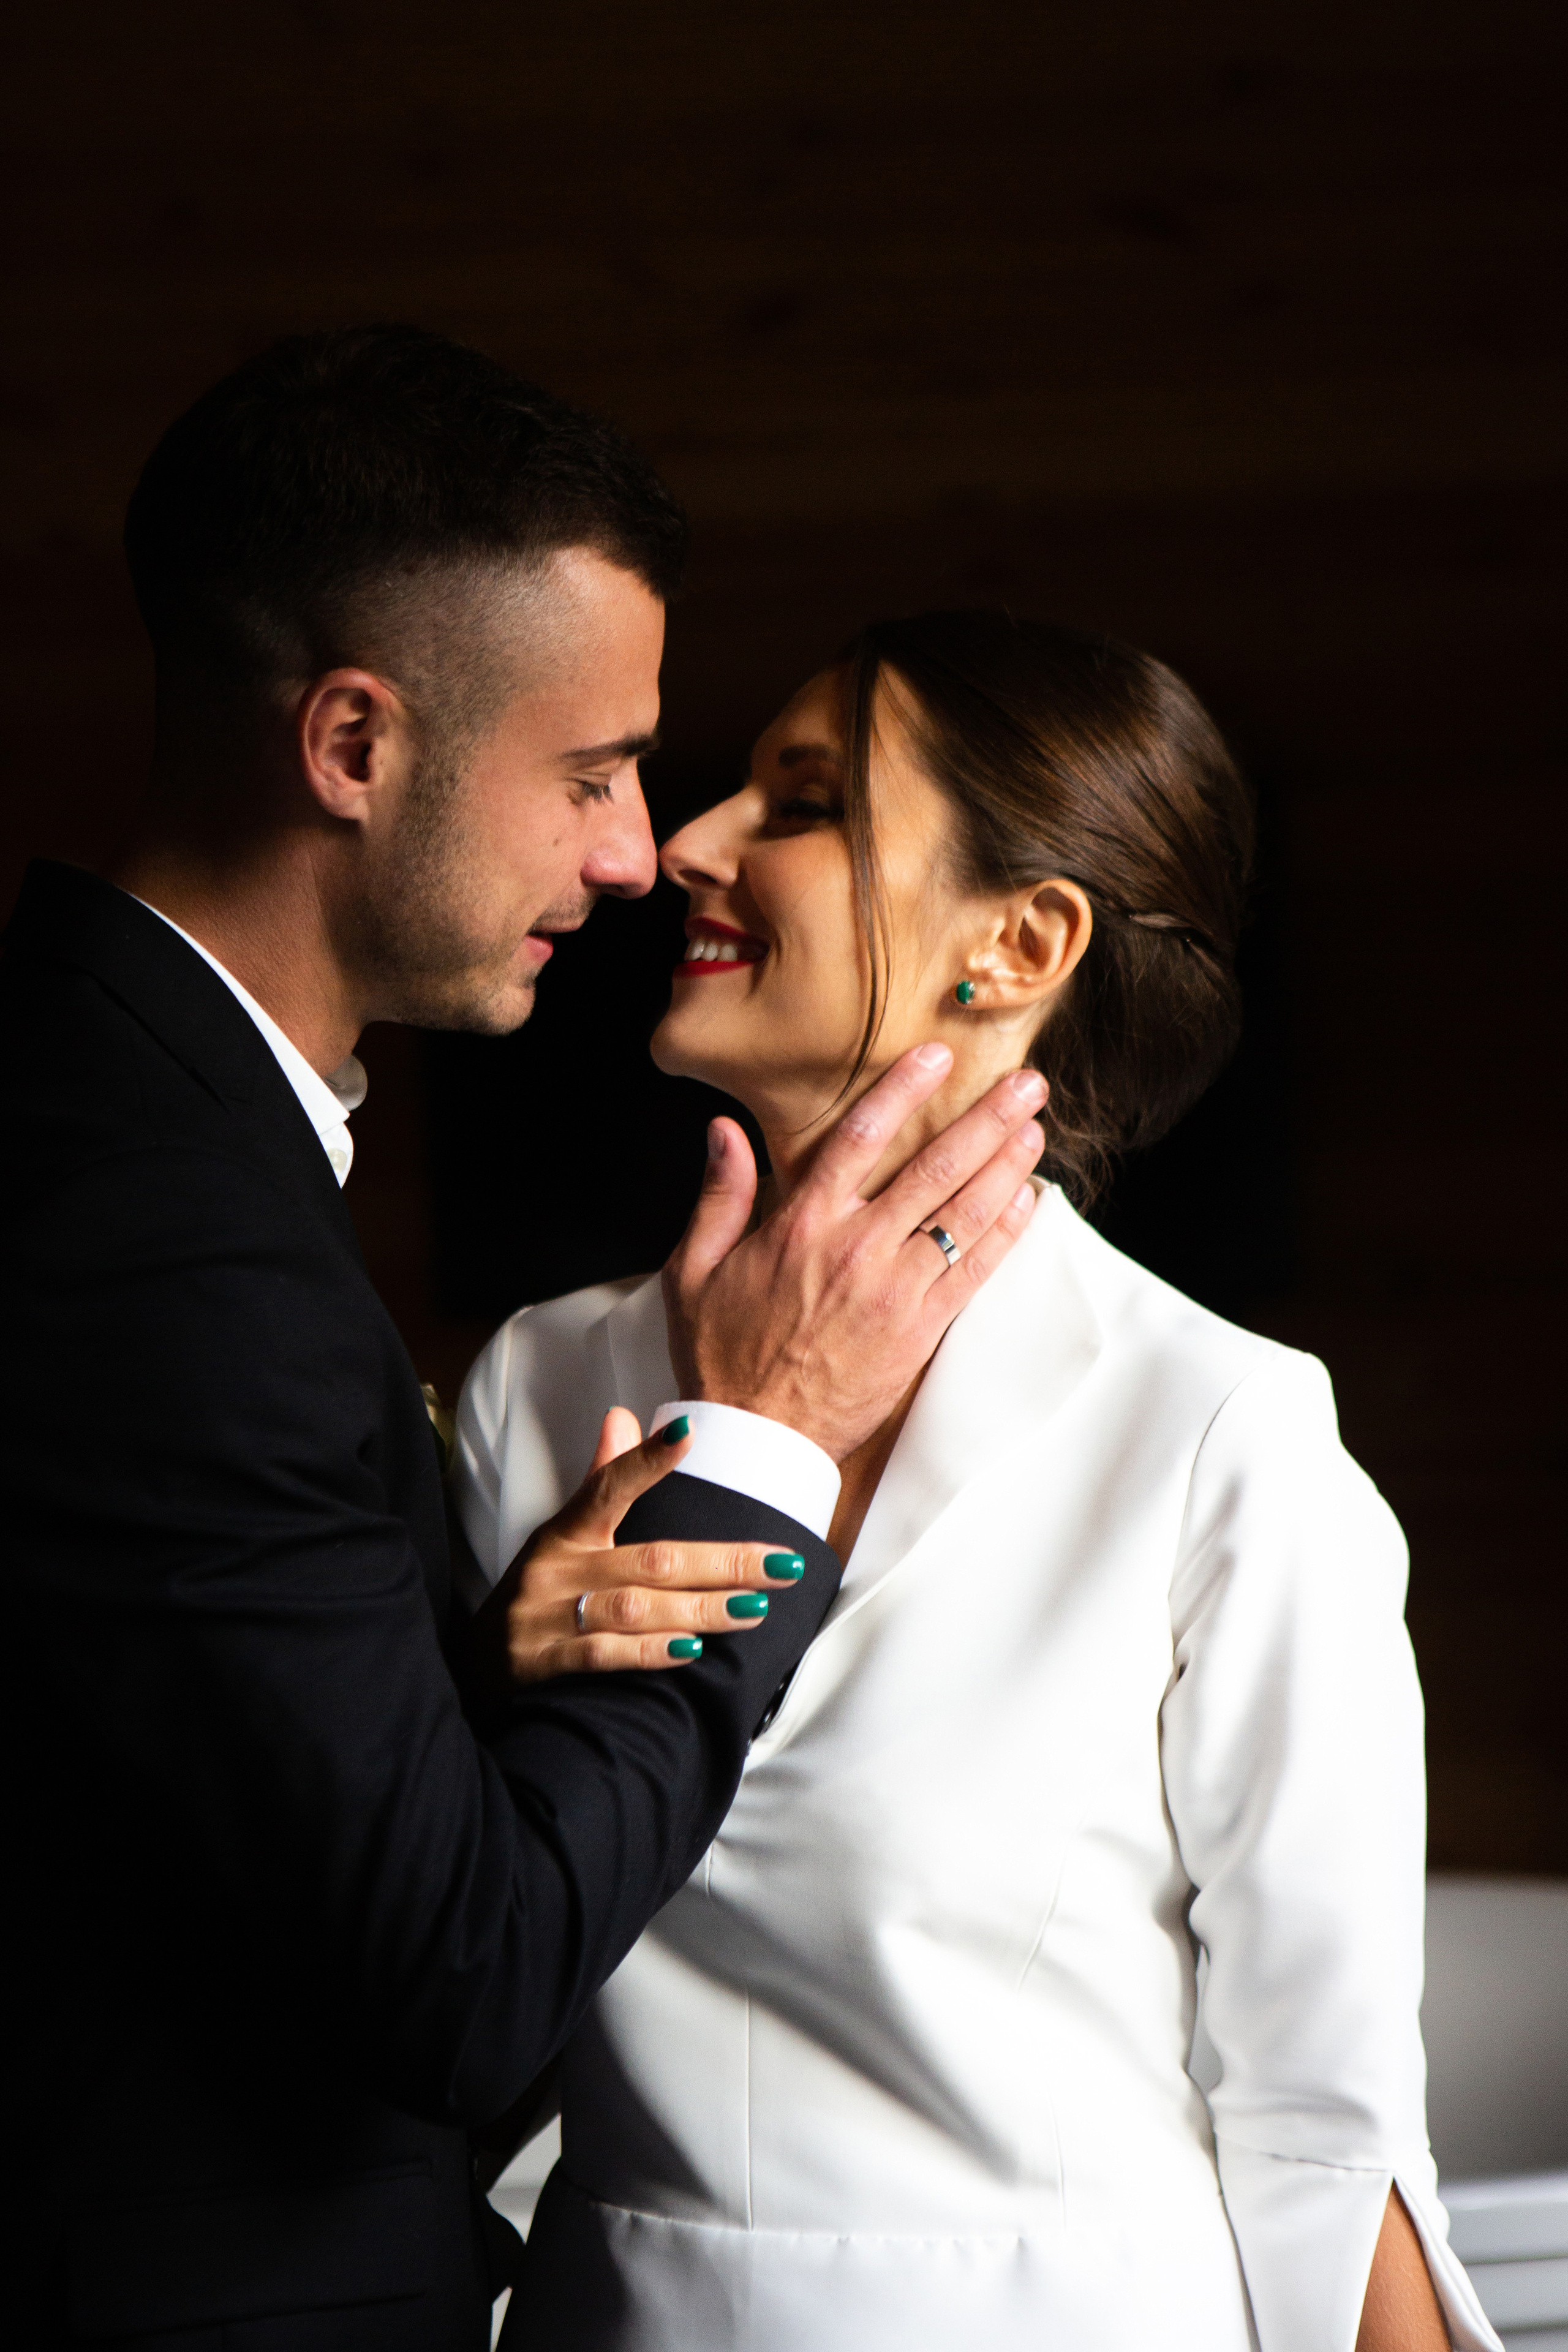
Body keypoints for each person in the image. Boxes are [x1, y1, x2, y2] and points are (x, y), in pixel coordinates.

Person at [1, 332, 1045, 2349]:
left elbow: (192, 1839)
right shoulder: (157, 1228)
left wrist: (466, 1683)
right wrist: (764, 1447)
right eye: (589, 772)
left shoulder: (143, 1129)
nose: (638, 853)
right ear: (353, 747)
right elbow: (457, 1980)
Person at [456, 612, 1504, 2352]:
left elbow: (1326, 2125)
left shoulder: (1218, 1433)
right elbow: (436, 1965)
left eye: (803, 803)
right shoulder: (543, 1384)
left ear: (1020, 942)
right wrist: (493, 1676)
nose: (687, 842)